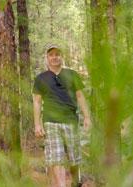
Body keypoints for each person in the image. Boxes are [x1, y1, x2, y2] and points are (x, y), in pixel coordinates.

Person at [33, 45, 91, 187]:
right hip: (51, 122)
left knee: (74, 159)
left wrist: (87, 117)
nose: (54, 57)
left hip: (71, 121)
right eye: (51, 55)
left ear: (61, 56)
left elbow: (80, 96)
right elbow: (37, 102)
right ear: (47, 58)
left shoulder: (72, 75)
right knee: (56, 159)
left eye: (57, 54)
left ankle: (75, 183)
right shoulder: (41, 78)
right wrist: (37, 124)